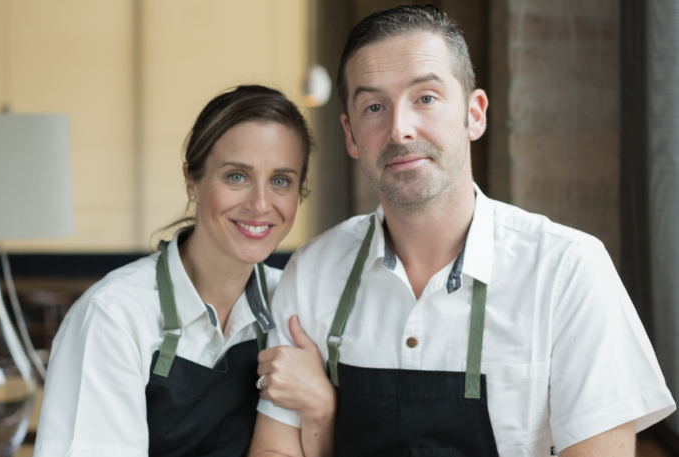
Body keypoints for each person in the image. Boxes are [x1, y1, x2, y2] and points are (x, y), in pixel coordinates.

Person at [249, 5, 676, 457]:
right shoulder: (313, 270)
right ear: (351, 136)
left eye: (426, 98)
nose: (400, 129)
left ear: (475, 114)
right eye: (374, 107)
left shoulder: (568, 272)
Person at [33, 85, 330, 457]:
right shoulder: (114, 316)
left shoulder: (293, 308)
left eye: (281, 181)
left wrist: (323, 405)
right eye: (236, 176)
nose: (260, 204)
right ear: (192, 180)